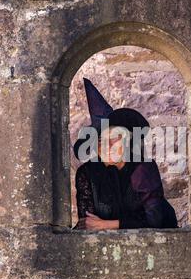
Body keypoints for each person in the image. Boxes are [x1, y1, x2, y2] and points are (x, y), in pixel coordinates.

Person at [72, 78, 178, 230]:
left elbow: (156, 219)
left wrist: (106, 224)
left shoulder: (143, 168)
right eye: (101, 140)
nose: (108, 146)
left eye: (114, 139)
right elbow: (88, 224)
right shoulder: (87, 173)